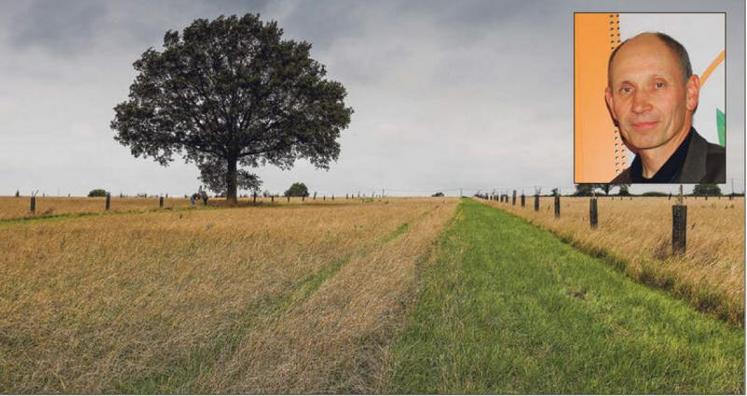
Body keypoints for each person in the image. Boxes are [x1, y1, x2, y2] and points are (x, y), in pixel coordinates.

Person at [606, 32, 725, 183]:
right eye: (626, 89)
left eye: (658, 85)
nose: (639, 106)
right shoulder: (610, 195)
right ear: (611, 103)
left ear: (690, 93)